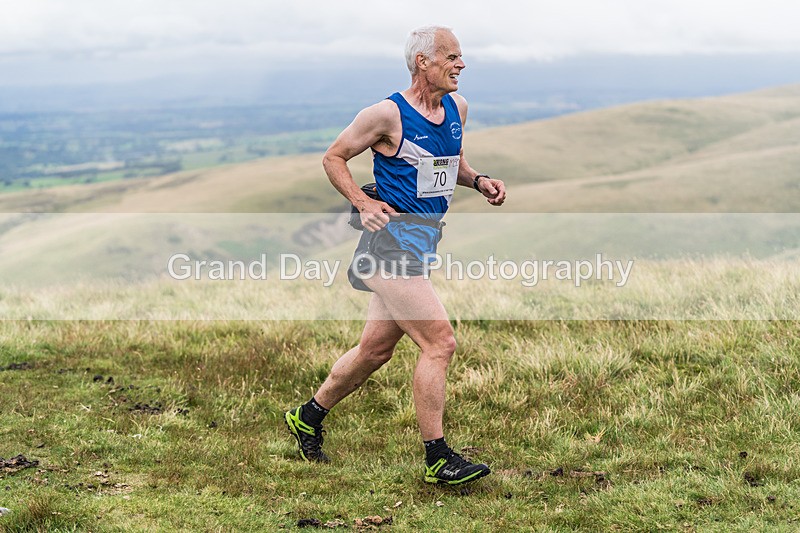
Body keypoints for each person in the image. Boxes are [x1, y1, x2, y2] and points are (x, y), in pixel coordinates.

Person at [285, 25, 506, 485]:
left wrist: (479, 180)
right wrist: (363, 203)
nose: (461, 64)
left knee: (374, 350)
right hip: (389, 244)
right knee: (439, 342)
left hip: (423, 241)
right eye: (451, 56)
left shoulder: (457, 108)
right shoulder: (386, 114)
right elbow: (333, 157)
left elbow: (449, 164)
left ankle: (307, 417)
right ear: (422, 62)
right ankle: (438, 458)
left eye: (461, 56)